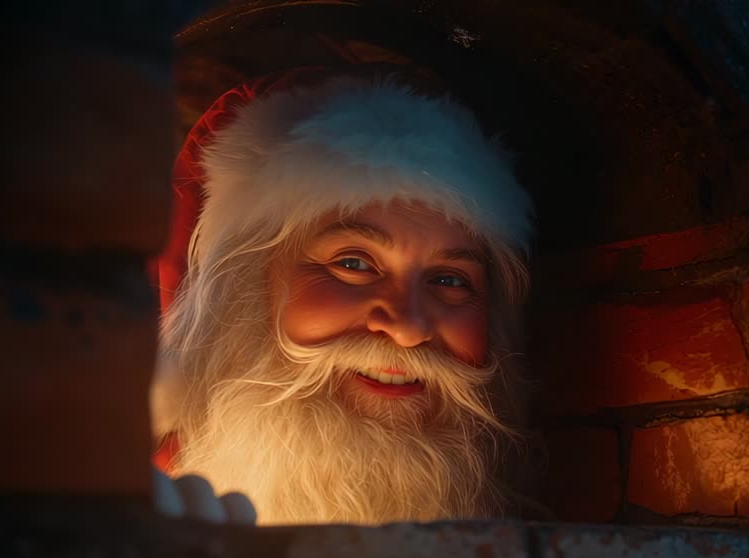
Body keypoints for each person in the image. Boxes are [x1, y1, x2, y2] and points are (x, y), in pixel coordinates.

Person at [148, 66, 538, 525]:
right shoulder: (123, 532)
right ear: (241, 296)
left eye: (449, 279)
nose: (408, 328)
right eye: (353, 264)